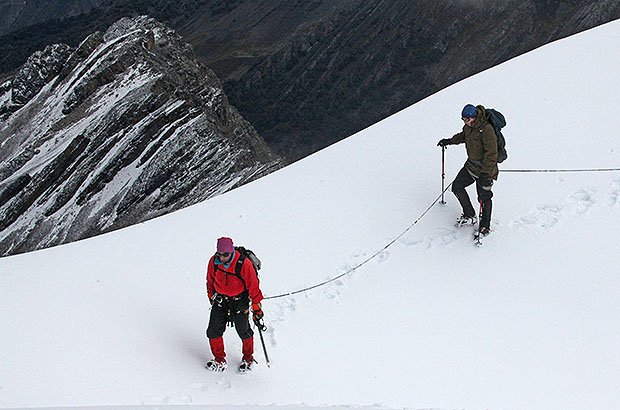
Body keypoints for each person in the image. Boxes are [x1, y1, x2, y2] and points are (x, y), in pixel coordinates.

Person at [437, 104, 498, 235]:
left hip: (485, 171)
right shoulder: (468, 127)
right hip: (471, 167)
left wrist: (486, 173)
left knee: (484, 198)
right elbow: (463, 136)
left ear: (474, 117)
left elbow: (492, 153)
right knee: (457, 187)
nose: (465, 122)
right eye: (463, 119)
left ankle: (485, 226)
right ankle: (470, 215)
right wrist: (449, 141)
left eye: (467, 119)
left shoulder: (486, 129)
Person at [205, 237, 264, 372]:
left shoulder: (243, 264)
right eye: (219, 254)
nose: (222, 257)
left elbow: (253, 287)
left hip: (239, 300)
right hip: (220, 300)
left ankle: (248, 358)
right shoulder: (214, 262)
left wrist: (256, 307)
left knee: (243, 330)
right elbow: (210, 281)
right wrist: (211, 298)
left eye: (225, 254)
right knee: (213, 330)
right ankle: (219, 359)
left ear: (231, 252)